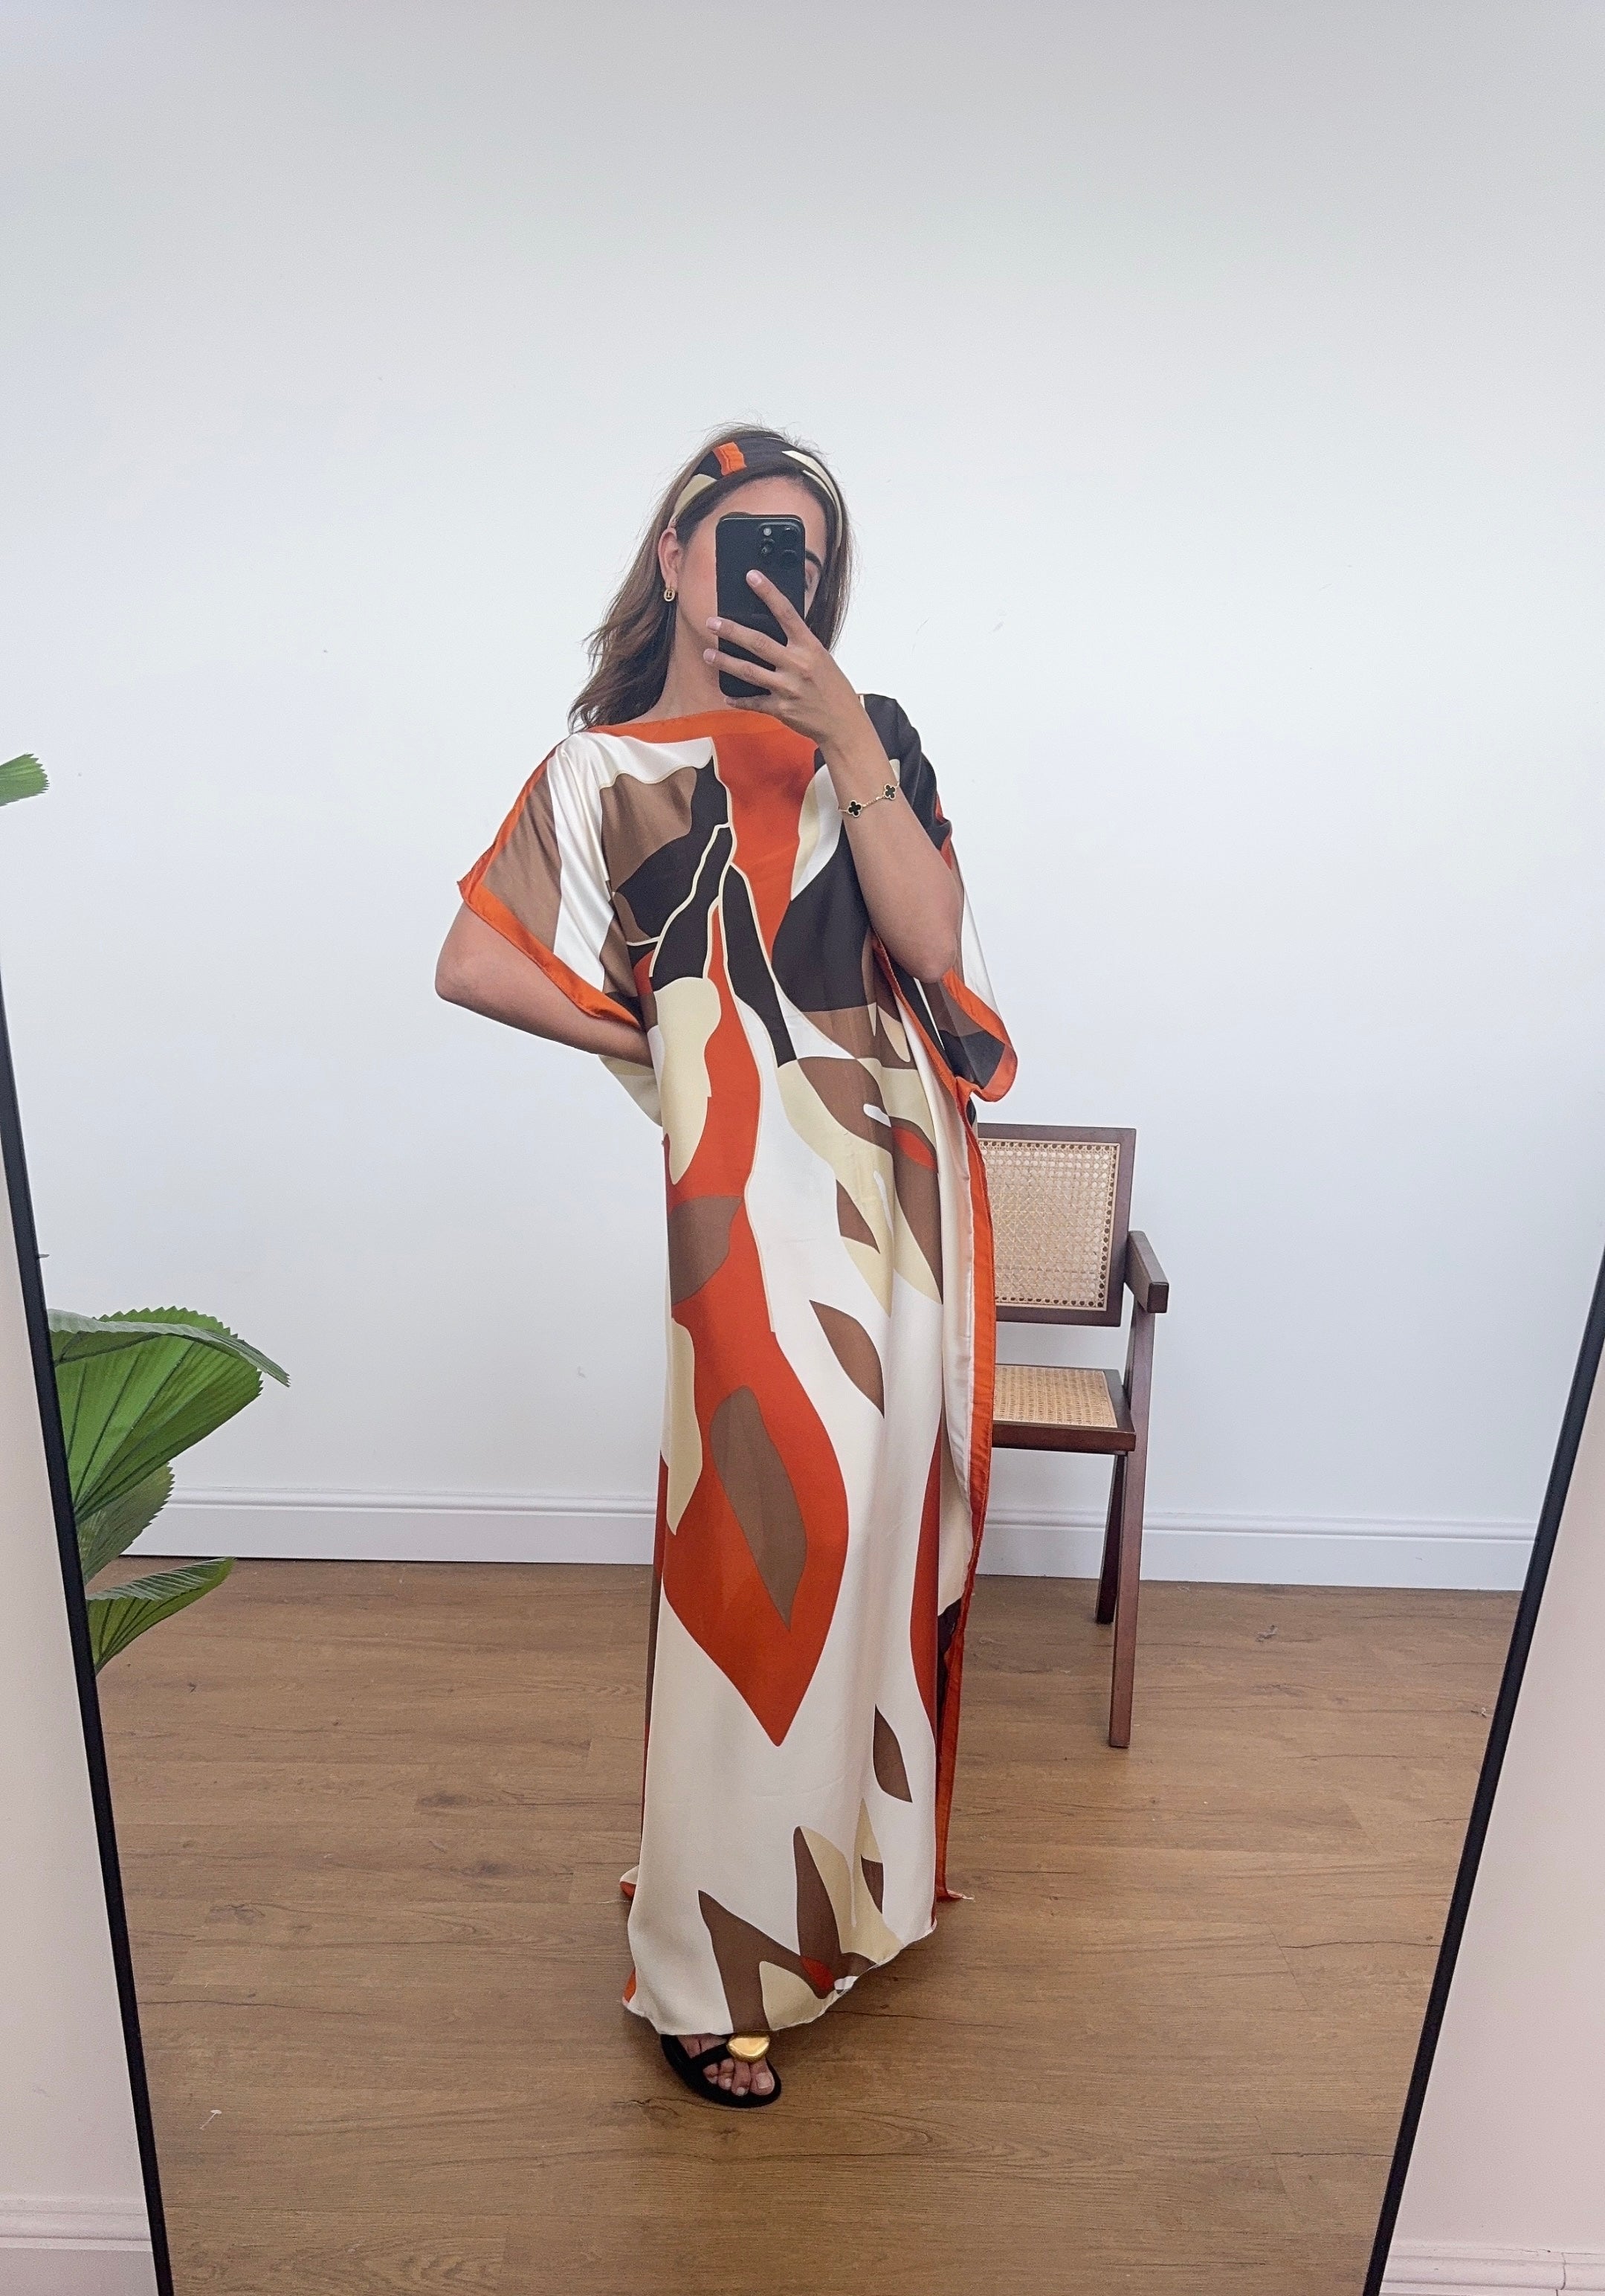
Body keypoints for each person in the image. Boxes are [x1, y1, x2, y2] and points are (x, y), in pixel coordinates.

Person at [437, 425, 1015, 2106]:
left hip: (898, 1177)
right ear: (679, 550)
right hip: (746, 1187)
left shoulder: (870, 734)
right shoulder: (599, 770)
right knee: (759, 1550)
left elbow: (929, 943)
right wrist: (670, 1041)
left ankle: (851, 1892)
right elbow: (474, 958)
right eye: (758, 538)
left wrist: (851, 743)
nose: (785, 575)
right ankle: (707, 1957)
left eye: (810, 558)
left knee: (875, 1532)